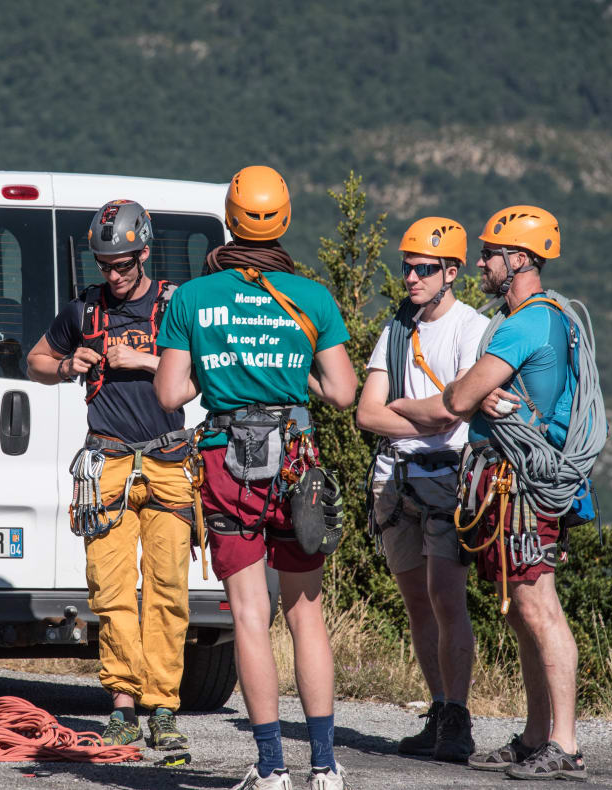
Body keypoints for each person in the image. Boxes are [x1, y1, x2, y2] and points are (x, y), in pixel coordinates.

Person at [154, 165, 357, 790]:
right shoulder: (313, 297)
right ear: (285, 219)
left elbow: (169, 393)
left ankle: (271, 768)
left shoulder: (192, 298)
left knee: (249, 615)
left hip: (225, 465)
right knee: (307, 614)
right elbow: (344, 392)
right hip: (296, 461)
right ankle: (323, 766)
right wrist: (301, 383)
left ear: (229, 218)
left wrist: (214, 376)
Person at [27, 200, 194, 750]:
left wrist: (144, 363)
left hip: (168, 463)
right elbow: (36, 362)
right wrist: (67, 365)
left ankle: (163, 706)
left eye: (123, 263)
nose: (115, 274)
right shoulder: (83, 312)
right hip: (107, 464)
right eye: (105, 264)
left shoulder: (174, 307)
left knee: (168, 588)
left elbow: (202, 373)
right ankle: (123, 702)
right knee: (112, 589)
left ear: (145, 252)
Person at [443, 205, 601, 782]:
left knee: (538, 606)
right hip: (513, 482)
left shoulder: (524, 324)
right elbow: (470, 394)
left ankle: (565, 744)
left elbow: (458, 399)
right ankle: (540, 736)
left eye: (490, 253)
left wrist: (473, 390)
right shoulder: (550, 319)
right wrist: (477, 391)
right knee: (522, 612)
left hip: (519, 485)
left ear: (521, 260)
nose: (480, 261)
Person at [356, 217, 488, 762]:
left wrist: (412, 413)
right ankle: (439, 708)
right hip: (395, 481)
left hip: (447, 479)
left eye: (424, 269)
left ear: (451, 272)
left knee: (446, 599)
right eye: (407, 266)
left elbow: (454, 410)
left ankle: (457, 717)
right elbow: (367, 413)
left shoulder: (471, 328)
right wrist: (425, 418)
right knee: (416, 602)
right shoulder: (397, 329)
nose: (411, 277)